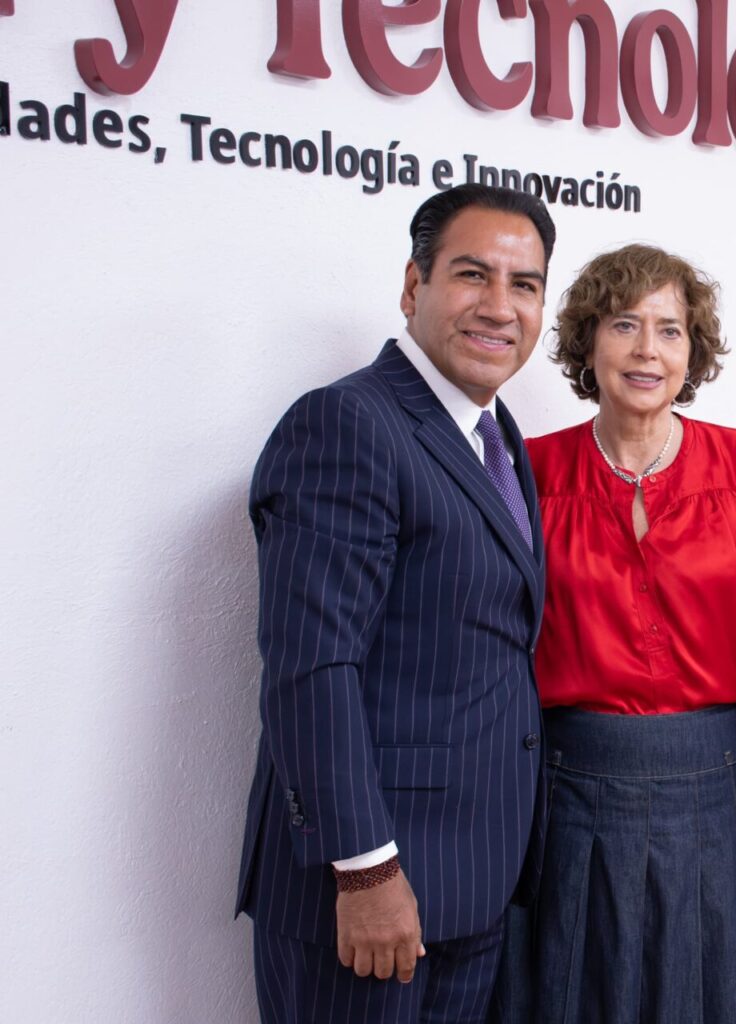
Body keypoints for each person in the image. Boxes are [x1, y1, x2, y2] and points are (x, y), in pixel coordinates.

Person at [236, 184, 555, 1023]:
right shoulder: (347, 424)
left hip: (469, 886)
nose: (500, 306)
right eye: (472, 275)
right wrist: (366, 869)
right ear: (414, 286)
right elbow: (312, 663)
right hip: (368, 897)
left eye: (524, 285)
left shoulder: (495, 435)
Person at [521, 244, 736, 1023]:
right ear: (588, 343)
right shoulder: (532, 470)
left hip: (713, 789)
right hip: (573, 791)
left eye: (669, 330)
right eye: (624, 324)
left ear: (692, 352)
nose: (647, 349)